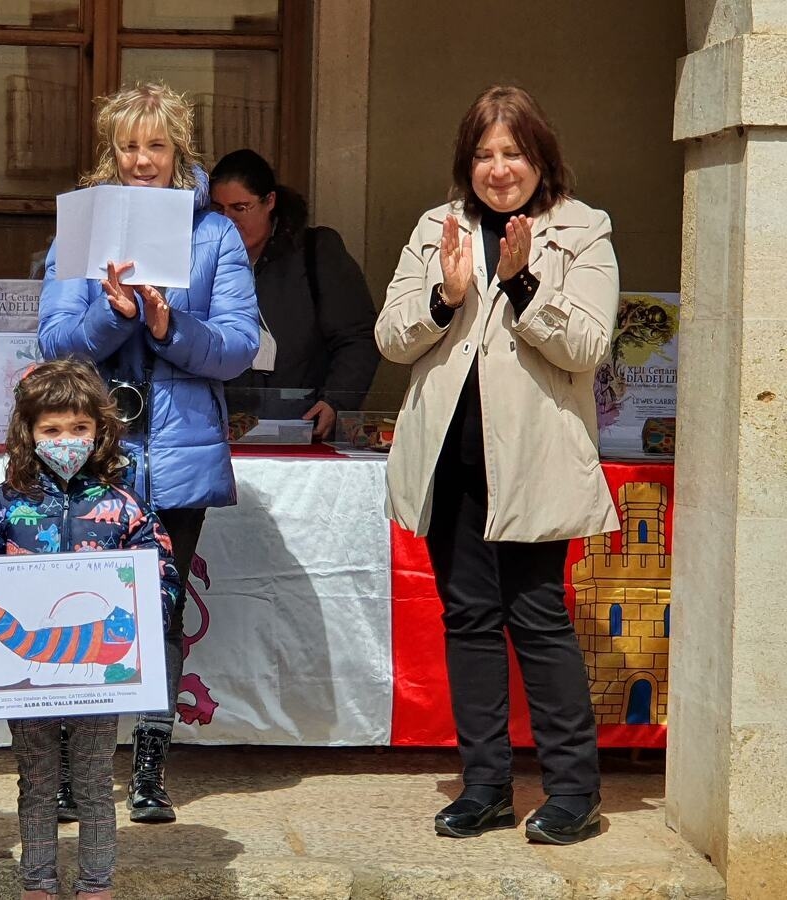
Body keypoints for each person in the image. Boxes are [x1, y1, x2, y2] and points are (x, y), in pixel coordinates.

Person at [376, 85, 620, 845]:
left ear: (541, 158)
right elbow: (391, 335)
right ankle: (484, 786)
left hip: (533, 461)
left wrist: (521, 283)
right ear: (466, 163)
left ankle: (573, 792)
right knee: (470, 620)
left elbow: (587, 347)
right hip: (450, 457)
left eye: (513, 152)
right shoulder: (435, 228)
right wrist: (445, 301)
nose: (499, 167)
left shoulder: (583, 230)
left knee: (538, 618)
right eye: (484, 154)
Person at [39, 82, 259, 823]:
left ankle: (149, 773)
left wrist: (168, 325)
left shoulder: (216, 234)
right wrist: (112, 314)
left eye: (155, 145)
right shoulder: (82, 224)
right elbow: (52, 342)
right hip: (89, 452)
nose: (141, 159)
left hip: (177, 456)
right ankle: (73, 769)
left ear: (177, 153)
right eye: (128, 145)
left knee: (158, 612)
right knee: (81, 609)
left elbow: (235, 348)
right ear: (113, 150)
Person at [0, 359, 181, 900]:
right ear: (28, 434)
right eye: (51, 429)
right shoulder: (2, 507)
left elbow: (164, 577)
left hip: (100, 676)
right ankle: (36, 882)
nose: (66, 440)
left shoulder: (126, 507)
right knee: (36, 780)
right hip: (27, 677)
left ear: (99, 430)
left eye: (78, 428)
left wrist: (150, 606)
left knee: (95, 782)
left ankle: (96, 885)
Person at [210, 148, 380, 438]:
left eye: (240, 208)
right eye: (218, 210)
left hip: (305, 426)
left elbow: (358, 337)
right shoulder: (203, 260)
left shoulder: (316, 252)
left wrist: (336, 400)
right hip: (222, 429)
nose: (228, 221)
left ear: (270, 201)